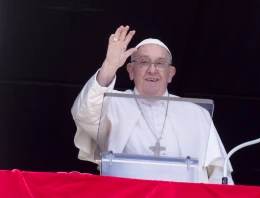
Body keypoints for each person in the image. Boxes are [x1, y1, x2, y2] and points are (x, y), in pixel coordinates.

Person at [71, 25, 234, 184]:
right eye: (144, 62)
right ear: (130, 70)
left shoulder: (197, 113)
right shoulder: (112, 104)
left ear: (170, 74)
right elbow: (84, 114)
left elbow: (219, 173)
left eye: (160, 63)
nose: (152, 70)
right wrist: (109, 66)